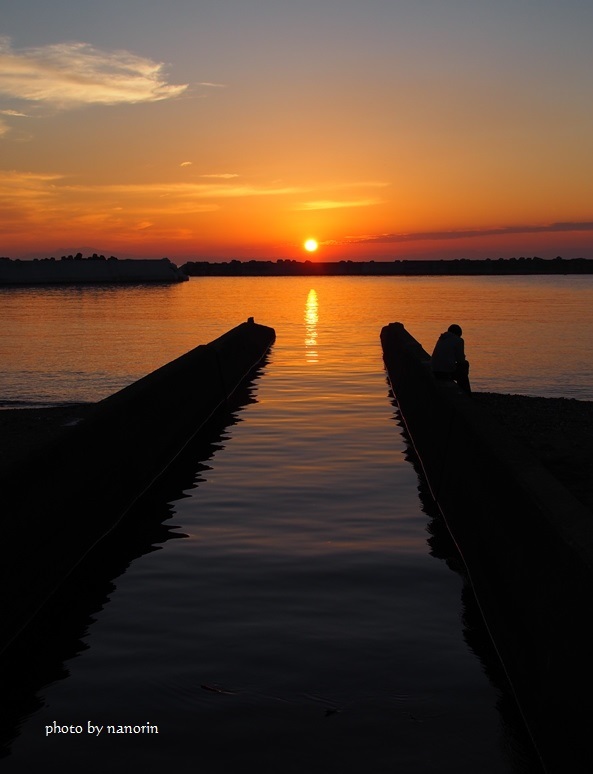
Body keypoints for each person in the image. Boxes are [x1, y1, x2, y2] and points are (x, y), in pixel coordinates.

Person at [430, 324, 471, 394]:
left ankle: (463, 390)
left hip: (435, 372)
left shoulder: (442, 338)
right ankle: (466, 392)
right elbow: (460, 360)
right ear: (459, 334)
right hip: (445, 373)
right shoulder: (459, 340)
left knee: (461, 368)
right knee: (465, 365)